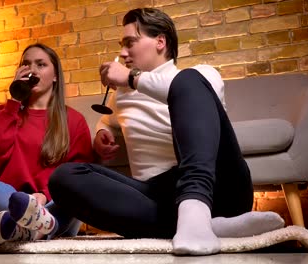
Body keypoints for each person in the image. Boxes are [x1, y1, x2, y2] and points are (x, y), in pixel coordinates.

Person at [49, 8, 285, 255]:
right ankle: (212, 227)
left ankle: (196, 208)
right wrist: (100, 134)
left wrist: (130, 77)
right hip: (157, 196)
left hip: (219, 187)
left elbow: (180, 90)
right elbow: (108, 122)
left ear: (160, 41)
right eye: (122, 45)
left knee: (187, 80)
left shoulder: (201, 76)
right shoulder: (123, 95)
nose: (122, 52)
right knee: (63, 178)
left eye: (130, 43)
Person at [0, 43, 93, 244]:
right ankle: (42, 227)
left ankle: (24, 228)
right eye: (27, 64)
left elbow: (77, 176)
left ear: (55, 75)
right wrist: (13, 102)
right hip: (6, 206)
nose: (32, 70)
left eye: (41, 64)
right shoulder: (5, 113)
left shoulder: (74, 121)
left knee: (73, 196)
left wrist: (44, 196)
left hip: (49, 204)